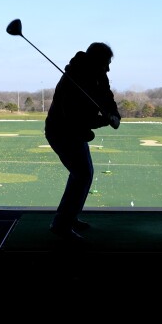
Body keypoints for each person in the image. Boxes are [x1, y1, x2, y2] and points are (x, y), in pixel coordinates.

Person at [45, 42, 121, 242]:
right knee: (82, 174)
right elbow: (74, 118)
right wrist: (104, 120)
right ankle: (61, 224)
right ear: (96, 61)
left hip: (76, 132)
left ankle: (68, 217)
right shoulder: (72, 80)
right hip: (61, 131)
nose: (108, 68)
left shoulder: (98, 75)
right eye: (106, 63)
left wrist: (114, 113)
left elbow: (106, 97)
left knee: (83, 174)